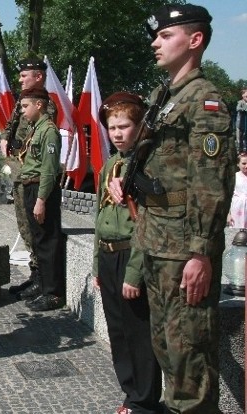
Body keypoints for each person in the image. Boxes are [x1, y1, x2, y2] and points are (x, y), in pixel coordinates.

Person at [109, 5, 234, 412]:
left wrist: (202, 252)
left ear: (194, 40)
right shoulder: (165, 96)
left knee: (189, 356)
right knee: (165, 345)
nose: (154, 42)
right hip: (157, 239)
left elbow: (212, 185)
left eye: (165, 36)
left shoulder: (205, 101)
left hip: (184, 248)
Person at [93, 92, 162, 414]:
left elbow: (145, 224)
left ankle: (144, 402)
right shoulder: (110, 164)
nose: (118, 133)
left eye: (124, 126)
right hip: (108, 256)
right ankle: (130, 395)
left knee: (137, 333)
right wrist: (96, 264)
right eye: (112, 127)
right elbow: (100, 216)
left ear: (139, 127)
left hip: (130, 256)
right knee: (118, 332)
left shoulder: (145, 166)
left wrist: (134, 273)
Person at [1, 57, 49, 300]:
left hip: (30, 172)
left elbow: (36, 139)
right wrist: (4, 138)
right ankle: (34, 274)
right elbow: (11, 124)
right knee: (23, 223)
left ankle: (42, 278)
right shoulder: (23, 99)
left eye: (24, 75)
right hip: (19, 169)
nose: (20, 80)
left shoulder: (44, 105)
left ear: (38, 76)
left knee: (32, 226)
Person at [18, 87, 64, 311]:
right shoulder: (35, 129)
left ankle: (53, 293)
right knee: (39, 240)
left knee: (48, 240)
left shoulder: (49, 131)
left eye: (26, 106)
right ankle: (45, 287)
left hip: (41, 189)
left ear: (39, 105)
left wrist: (41, 199)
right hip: (31, 188)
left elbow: (48, 169)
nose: (22, 110)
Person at [228, 153, 247, 228]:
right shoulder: (234, 177)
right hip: (237, 210)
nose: (246, 166)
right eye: (243, 163)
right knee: (238, 236)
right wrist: (228, 214)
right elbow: (229, 196)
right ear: (238, 164)